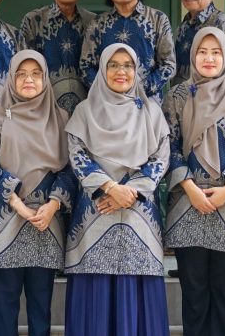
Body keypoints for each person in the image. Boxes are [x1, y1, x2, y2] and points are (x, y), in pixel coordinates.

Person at [63, 44, 171, 336]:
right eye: (113, 65)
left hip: (139, 217)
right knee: (94, 298)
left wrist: (129, 193)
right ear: (102, 69)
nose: (121, 71)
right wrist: (110, 188)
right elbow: (77, 154)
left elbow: (161, 159)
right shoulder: (84, 111)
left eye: (128, 65)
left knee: (137, 294)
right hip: (95, 215)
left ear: (137, 71)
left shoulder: (151, 111)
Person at [163, 28, 225, 336]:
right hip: (187, 204)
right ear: (193, 55)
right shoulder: (177, 96)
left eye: (216, 52)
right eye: (202, 52)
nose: (209, 58)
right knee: (194, 295)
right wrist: (190, 188)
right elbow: (168, 146)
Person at [0, 51, 75, 336]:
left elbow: (69, 170)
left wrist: (53, 204)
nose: (28, 79)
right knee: (4, 305)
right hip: (6, 220)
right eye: (21, 74)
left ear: (45, 78)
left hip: (46, 222)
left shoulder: (61, 118)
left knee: (40, 307)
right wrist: (18, 204)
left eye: (35, 74)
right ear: (11, 78)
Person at [79, 0, 175, 104]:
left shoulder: (158, 19)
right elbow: (86, 67)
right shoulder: (97, 24)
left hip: (148, 105)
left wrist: (136, 91)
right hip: (107, 105)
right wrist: (110, 93)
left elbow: (168, 65)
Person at [19, 0, 97, 114]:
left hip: (87, 111)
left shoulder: (93, 22)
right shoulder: (34, 21)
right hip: (45, 110)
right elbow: (25, 67)